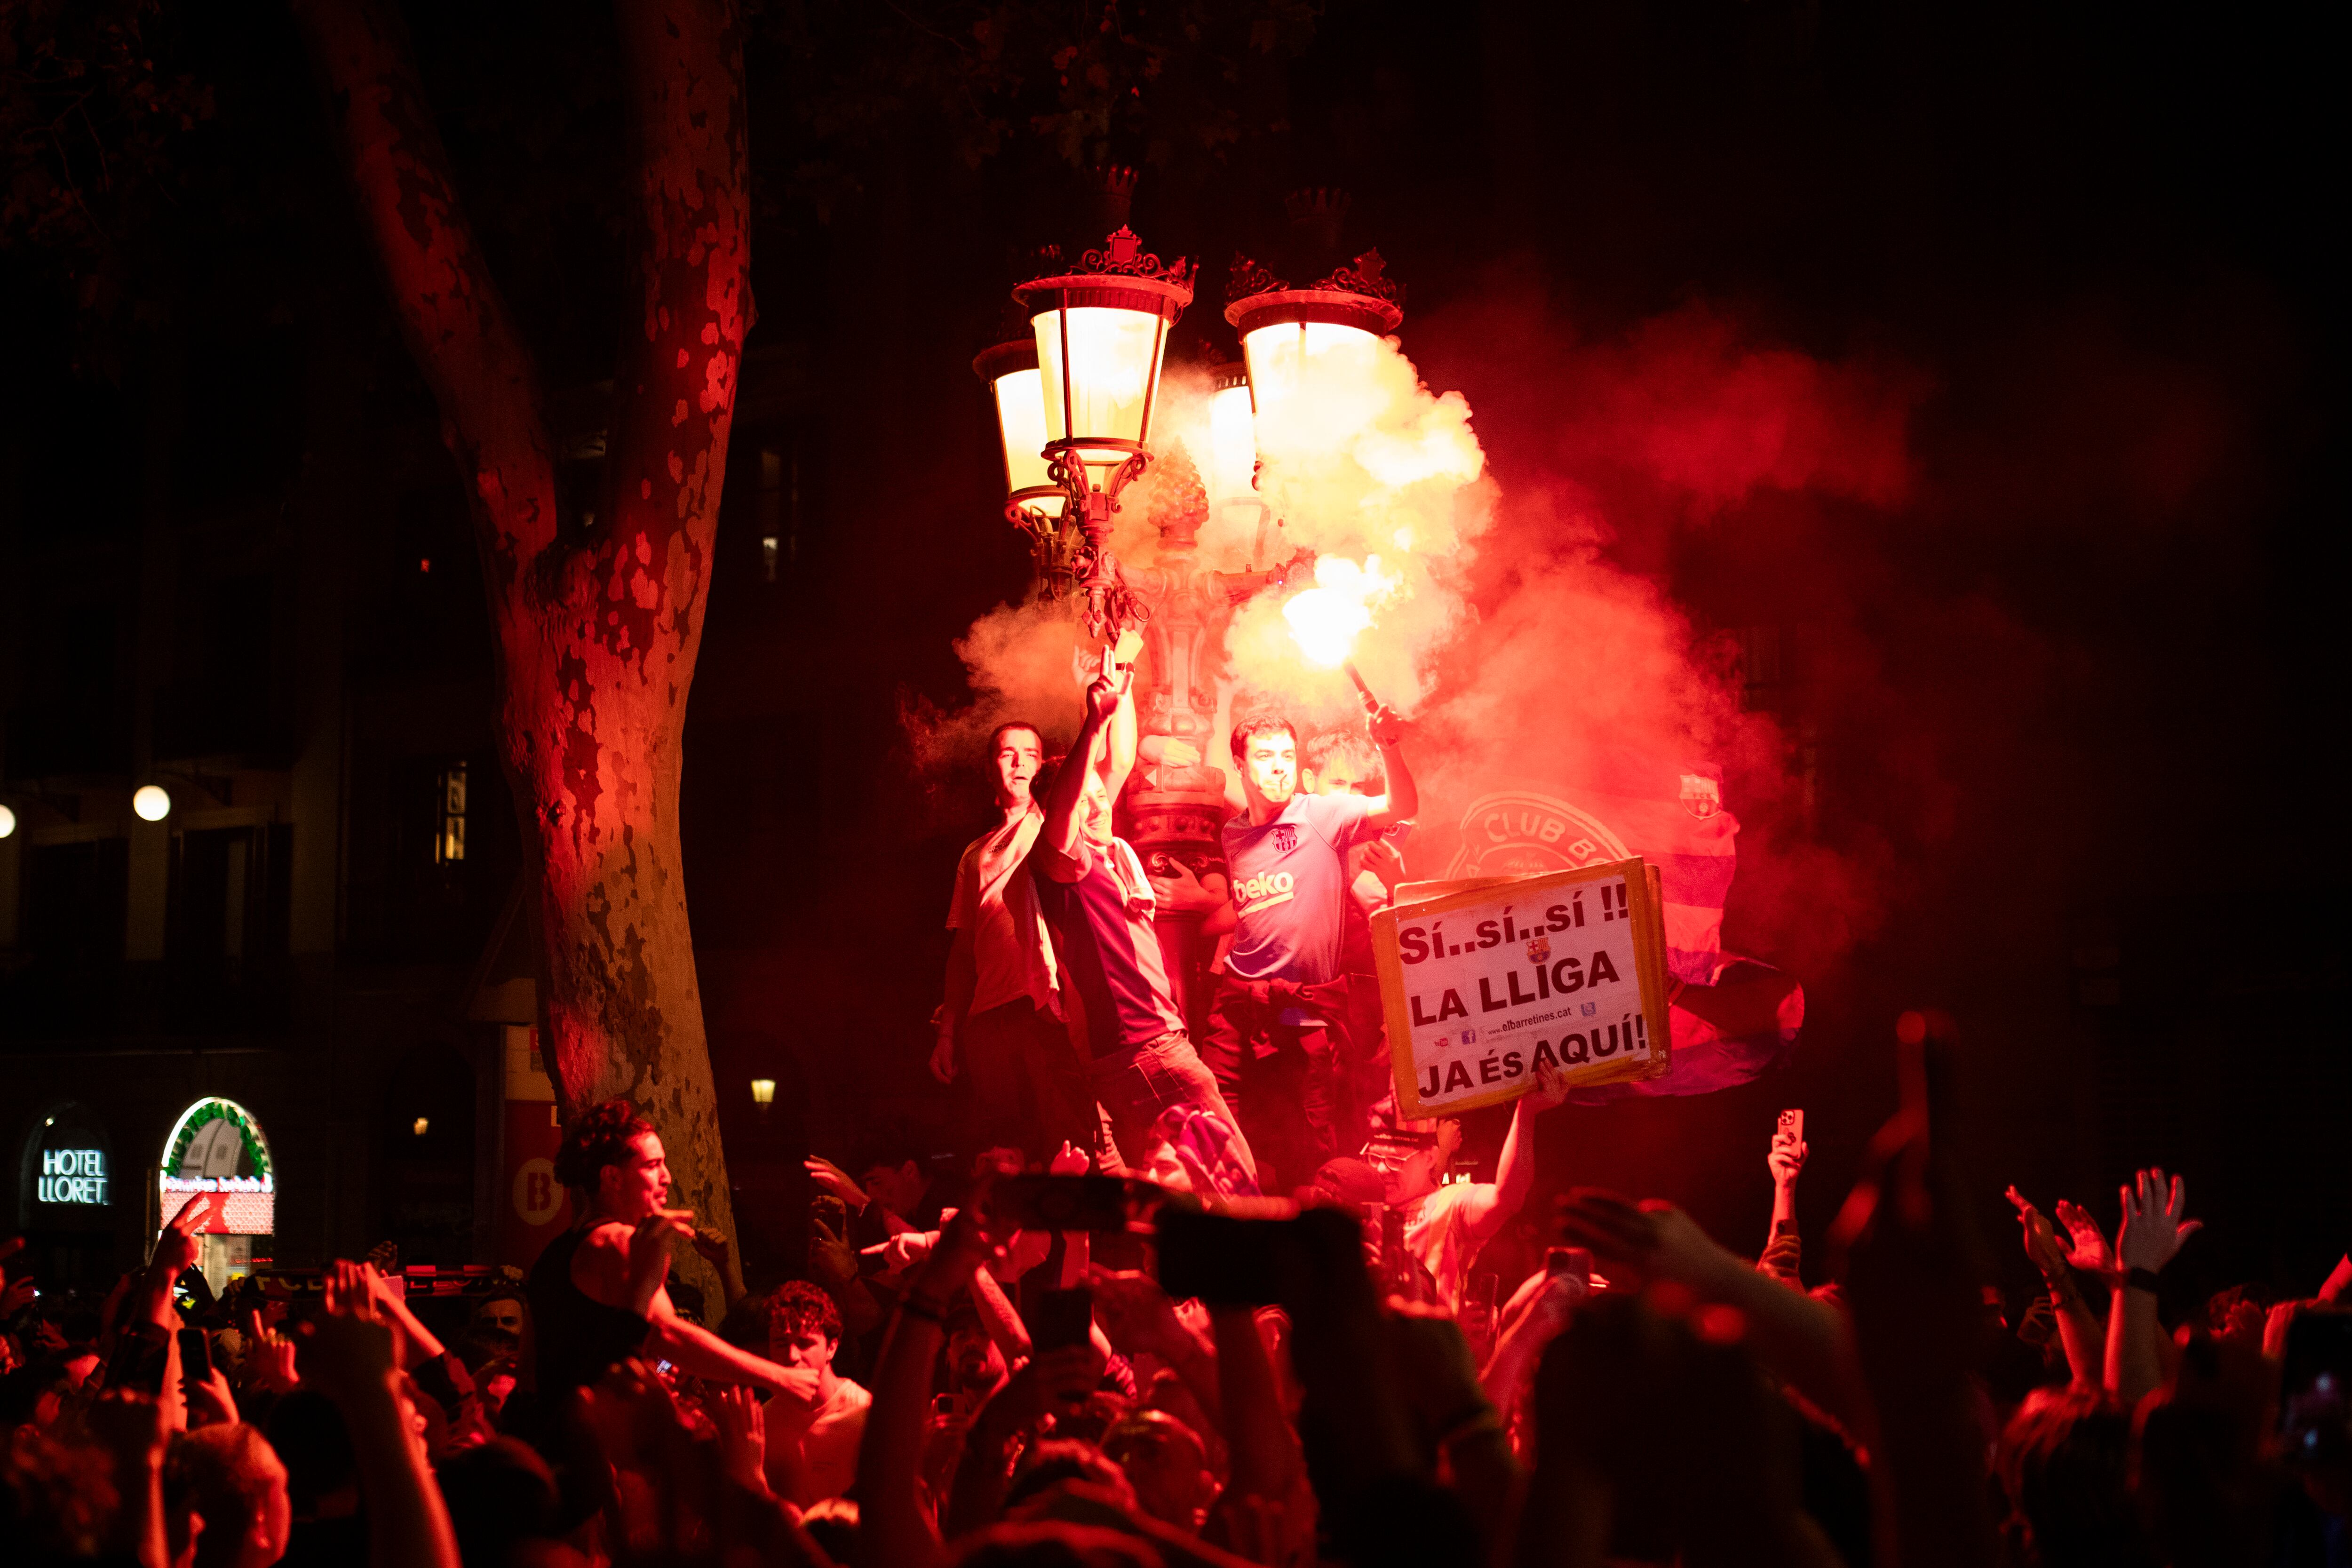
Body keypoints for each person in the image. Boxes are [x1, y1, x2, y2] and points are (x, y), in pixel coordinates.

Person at [1030, 653, 1252, 1177]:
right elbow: (1066, 807)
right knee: (1231, 1183)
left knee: (1171, 1196)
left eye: (1098, 796)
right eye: (1084, 801)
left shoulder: (1107, 855)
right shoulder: (1065, 863)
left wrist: (1118, 686)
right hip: (1142, 1050)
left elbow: (1119, 761)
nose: (1098, 804)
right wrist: (1092, 723)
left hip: (1147, 1049)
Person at [1200, 699, 1416, 1189]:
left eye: (1286, 755)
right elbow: (1255, 907)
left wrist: (1389, 746)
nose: (1278, 766)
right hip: (1237, 1007)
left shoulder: (1321, 813)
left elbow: (1401, 808)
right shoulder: (1233, 833)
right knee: (1219, 1130)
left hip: (1304, 1012)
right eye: (1264, 756)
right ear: (1240, 764)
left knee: (1308, 1148)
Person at [528, 1098, 814, 1413]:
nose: (667, 1176)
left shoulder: (552, 1255)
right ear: (613, 1178)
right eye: (652, 1165)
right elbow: (669, 1336)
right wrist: (779, 1376)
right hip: (597, 1444)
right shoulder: (619, 1242)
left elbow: (531, 1367)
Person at [935, 719, 1096, 1162]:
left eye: (1032, 753)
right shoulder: (975, 853)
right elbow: (963, 950)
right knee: (1007, 1156)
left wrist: (1096, 709)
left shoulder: (1047, 821)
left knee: (1068, 1147)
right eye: (1009, 753)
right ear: (992, 769)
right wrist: (948, 1034)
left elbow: (1098, 768)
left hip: (1042, 1009)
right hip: (986, 1020)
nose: (1021, 761)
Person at [763, 1280, 872, 1505]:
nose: (792, 1355)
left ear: (831, 1348)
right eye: (781, 1343)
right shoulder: (764, 1420)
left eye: (804, 1343)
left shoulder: (863, 1412)